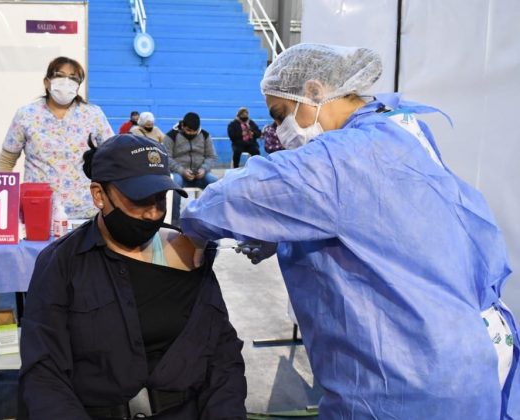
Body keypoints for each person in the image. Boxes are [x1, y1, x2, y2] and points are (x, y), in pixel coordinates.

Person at [181, 43, 519, 418]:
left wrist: (191, 228)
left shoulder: (344, 156)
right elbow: (376, 224)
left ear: (313, 92)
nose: (279, 131)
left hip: (410, 377)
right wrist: (283, 230)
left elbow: (239, 194)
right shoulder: (399, 131)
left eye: (280, 115)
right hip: (472, 351)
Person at [18, 134, 246, 419]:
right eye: (139, 200)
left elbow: (222, 356)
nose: (153, 213)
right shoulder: (63, 265)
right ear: (99, 195)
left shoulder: (189, 254)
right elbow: (44, 373)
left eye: (160, 198)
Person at [0, 56, 114, 219]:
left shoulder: (93, 115)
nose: (66, 81)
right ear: (46, 82)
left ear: (78, 85)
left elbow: (112, 155)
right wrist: (4, 199)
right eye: (59, 75)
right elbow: (7, 160)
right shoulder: (26, 114)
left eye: (73, 78)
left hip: (84, 211)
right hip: (37, 210)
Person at [162, 112, 218, 225]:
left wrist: (204, 169)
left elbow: (211, 156)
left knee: (215, 183)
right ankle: (174, 221)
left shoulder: (205, 135)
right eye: (188, 130)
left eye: (194, 132)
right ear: (182, 126)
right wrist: (181, 170)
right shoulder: (171, 136)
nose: (191, 133)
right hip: (179, 174)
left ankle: (213, 219)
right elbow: (166, 158)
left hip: (200, 174)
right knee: (174, 184)